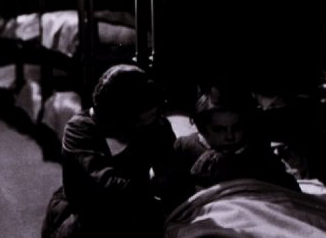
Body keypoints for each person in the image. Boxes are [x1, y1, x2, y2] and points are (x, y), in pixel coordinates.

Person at [42, 64, 175, 238]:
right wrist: (154, 187)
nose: (153, 118)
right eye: (145, 116)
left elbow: (170, 168)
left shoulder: (155, 124)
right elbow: (107, 183)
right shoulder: (79, 129)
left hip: (134, 208)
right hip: (85, 214)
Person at [172, 86, 301, 195]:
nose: (230, 136)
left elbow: (287, 188)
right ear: (202, 129)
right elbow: (174, 193)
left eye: (236, 128)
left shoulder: (254, 148)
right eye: (219, 130)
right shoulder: (186, 148)